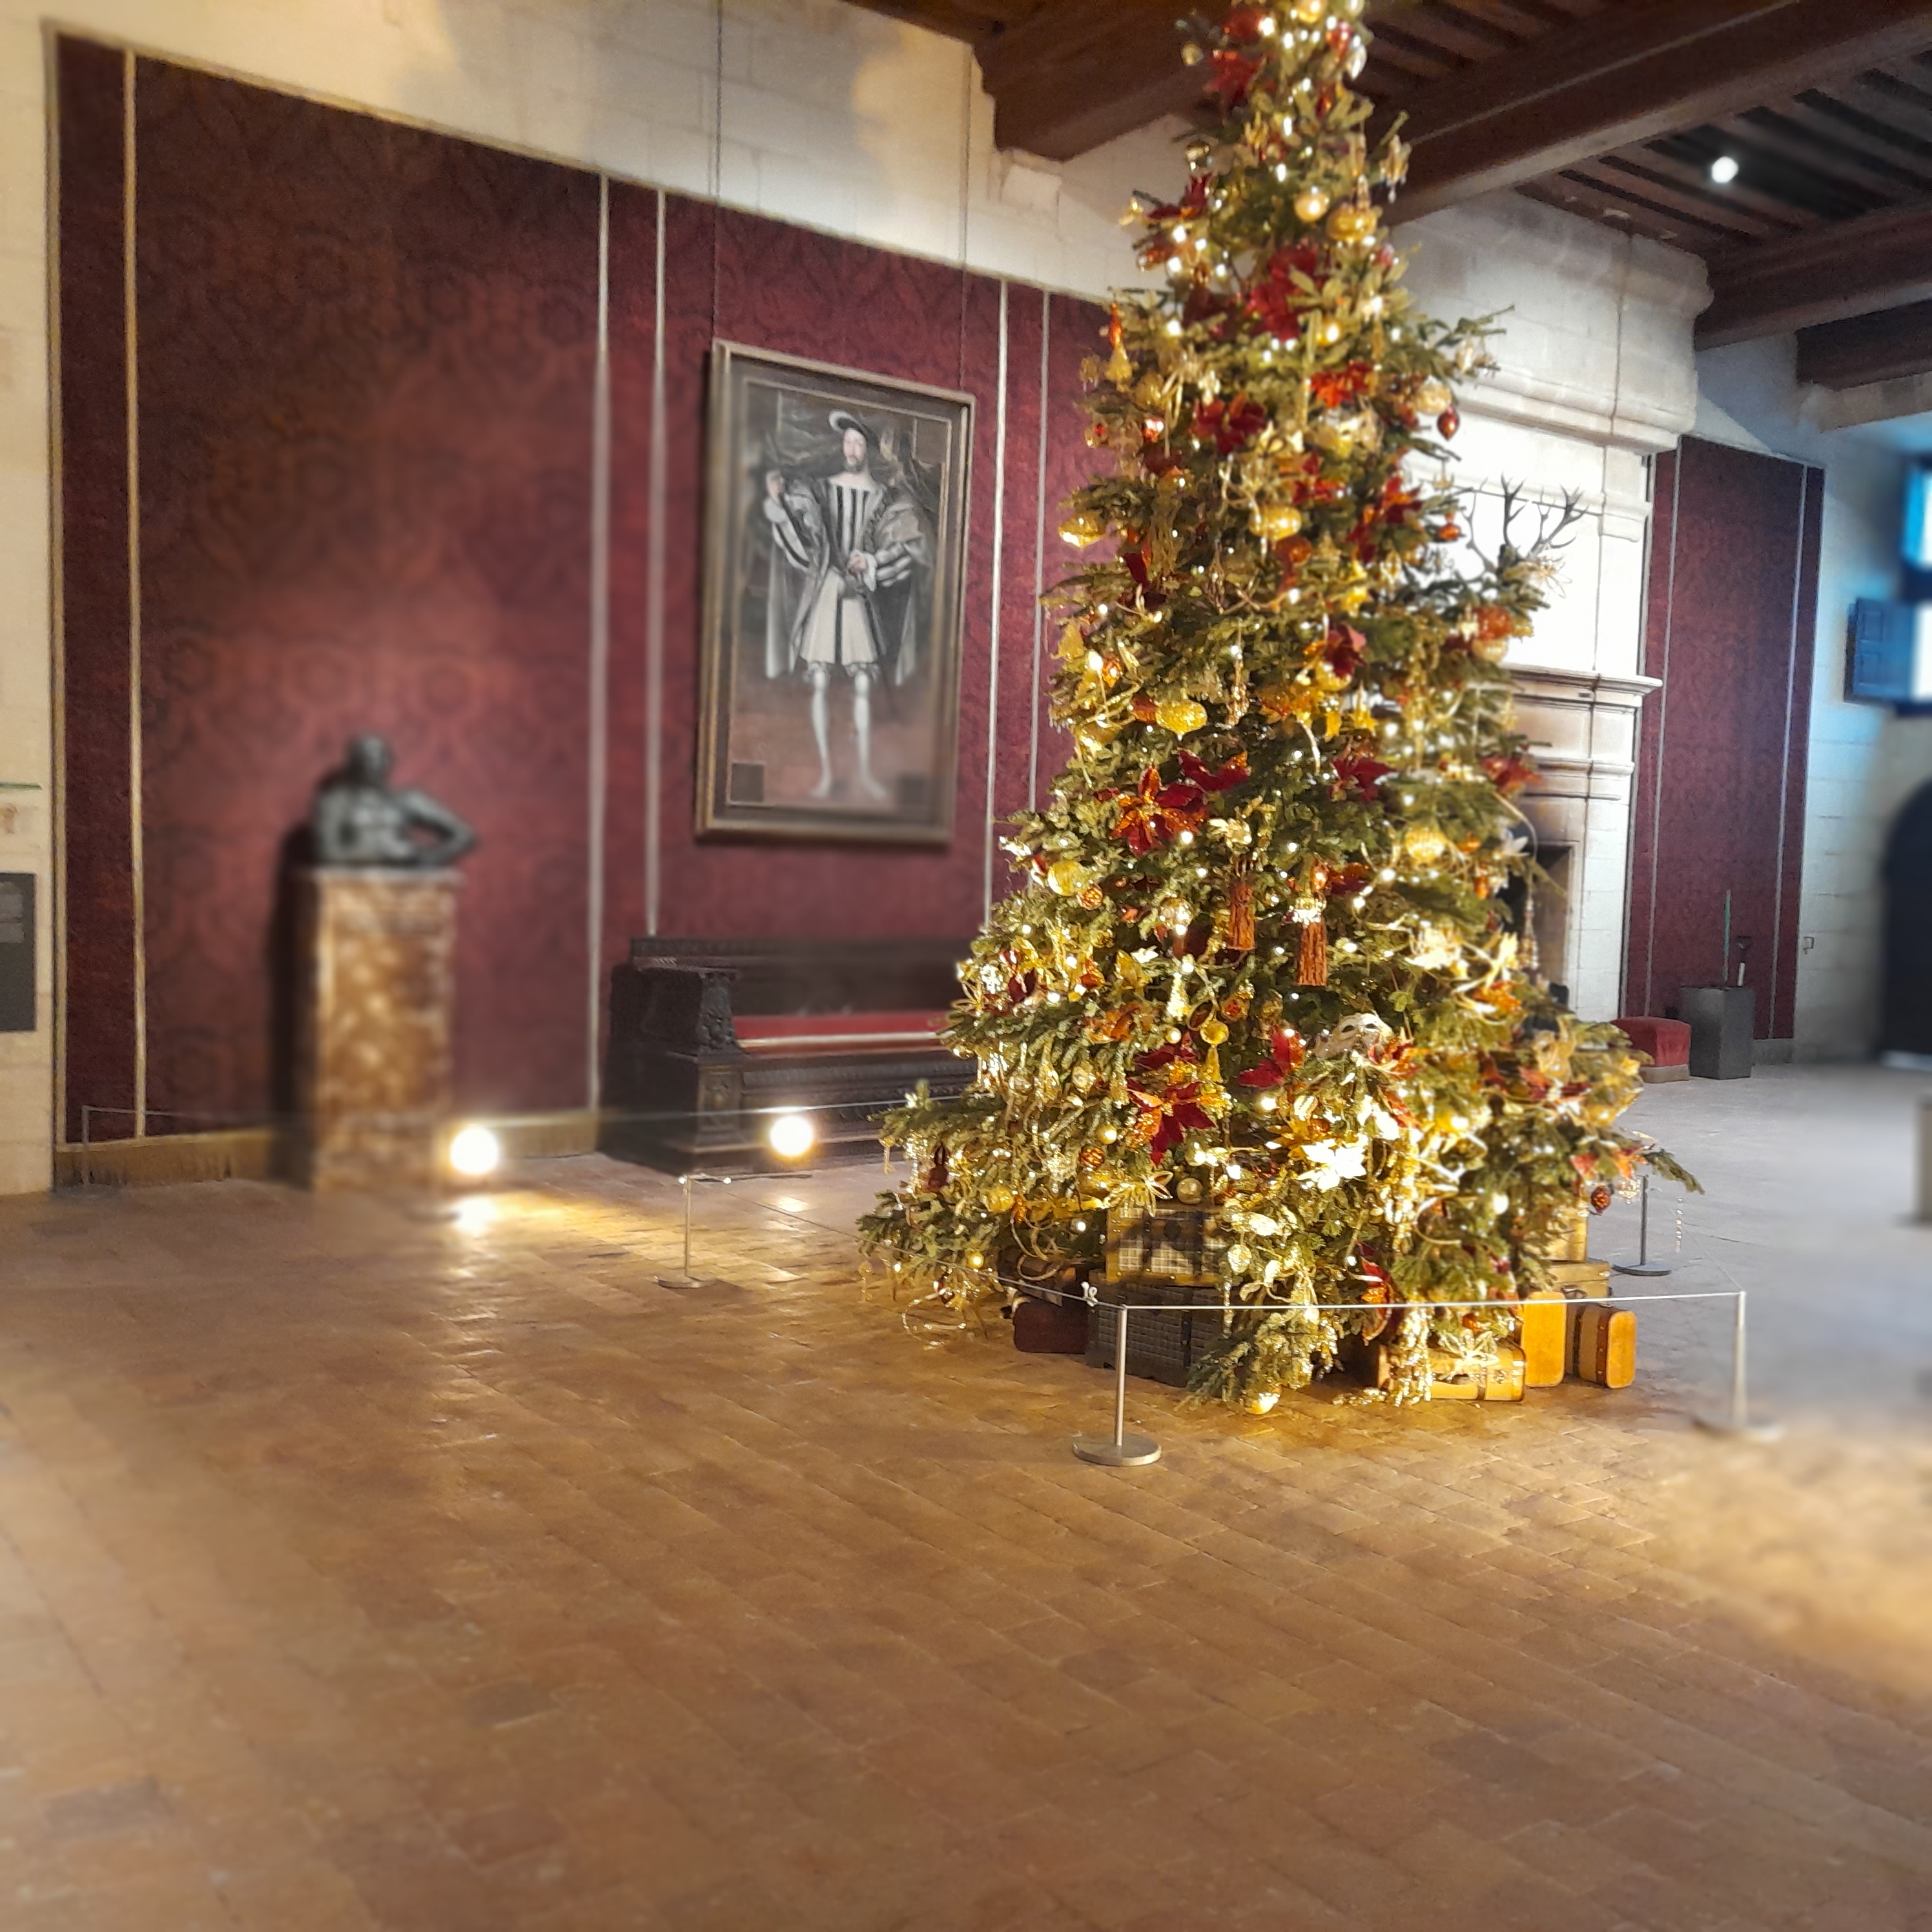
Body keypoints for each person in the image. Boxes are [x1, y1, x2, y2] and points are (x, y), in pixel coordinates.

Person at [761, 410, 930, 802]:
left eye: (858, 442)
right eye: (847, 442)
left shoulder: (887, 498)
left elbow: (906, 545)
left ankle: (865, 773)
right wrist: (777, 506)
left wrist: (871, 561)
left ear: (868, 449)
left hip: (859, 597)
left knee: (864, 685)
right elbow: (804, 548)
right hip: (825, 592)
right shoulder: (819, 491)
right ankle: (825, 772)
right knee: (820, 682)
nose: (851, 449)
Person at [312, 734, 477, 868]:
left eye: (380, 758)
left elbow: (464, 835)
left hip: (406, 889)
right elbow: (328, 853)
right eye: (366, 758)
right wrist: (387, 854)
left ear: (389, 762)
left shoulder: (408, 800)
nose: (373, 765)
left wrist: (424, 860)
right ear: (354, 763)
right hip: (350, 887)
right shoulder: (335, 802)